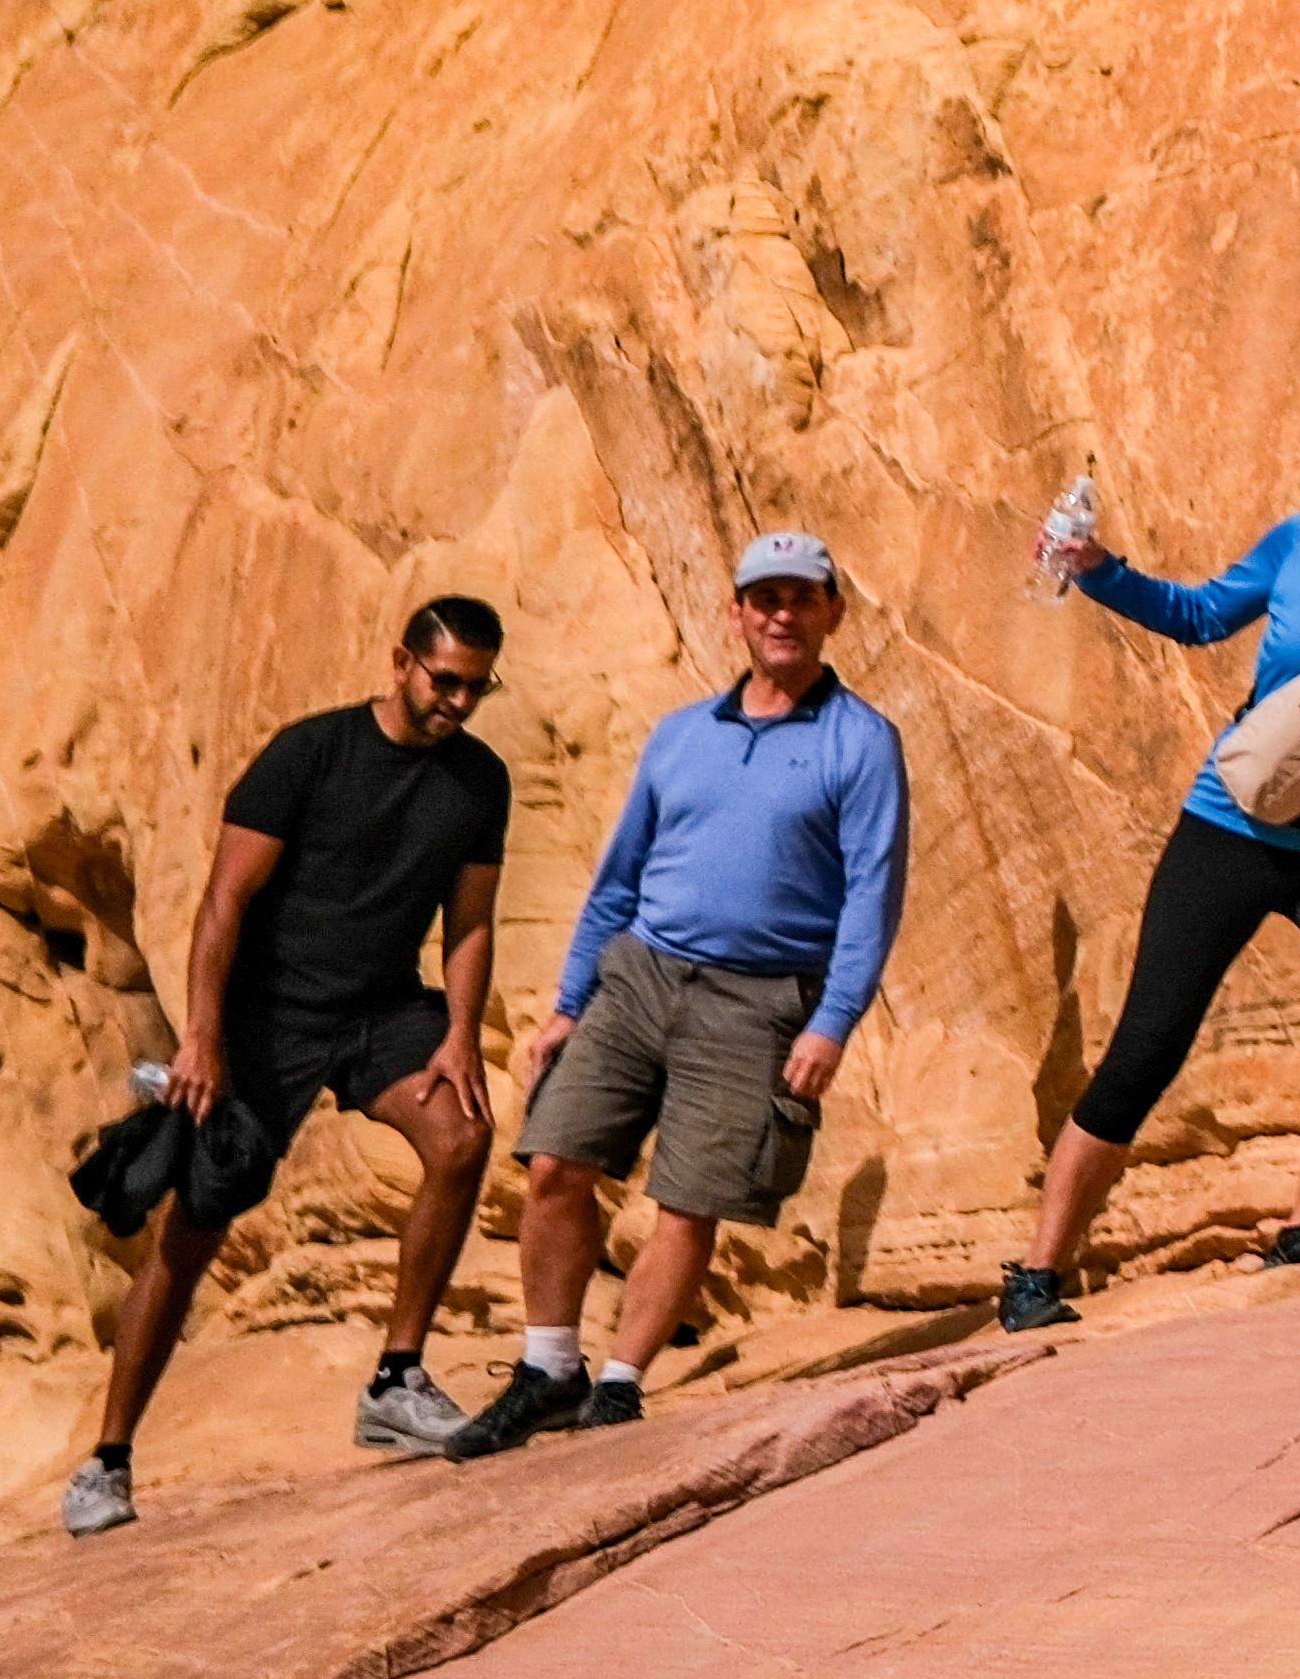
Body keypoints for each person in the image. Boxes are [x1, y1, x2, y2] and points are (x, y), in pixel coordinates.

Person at [994, 396, 1300, 1331]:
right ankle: (1036, 1271)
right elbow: (1199, 615)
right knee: (1147, 1048)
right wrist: (1095, 569)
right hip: (1233, 829)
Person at [440, 532, 909, 1453]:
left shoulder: (863, 743)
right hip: (640, 976)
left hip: (760, 999)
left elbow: (873, 897)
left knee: (688, 1200)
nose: (782, 614)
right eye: (763, 598)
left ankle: (618, 1384)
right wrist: (570, 1001)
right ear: (734, 614)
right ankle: (548, 1369)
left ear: (832, 613)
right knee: (553, 1164)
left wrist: (832, 1023)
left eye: (801, 598)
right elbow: (619, 878)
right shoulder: (682, 733)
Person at [68, 598, 513, 1532]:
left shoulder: (479, 782)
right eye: (446, 681)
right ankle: (107, 1462)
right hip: (266, 1024)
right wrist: (200, 1037)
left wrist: (460, 1033)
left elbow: (469, 922)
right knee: (194, 1228)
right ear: (401, 662)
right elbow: (224, 902)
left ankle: (397, 1382)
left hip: (382, 1013)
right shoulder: (308, 755)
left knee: (462, 1136)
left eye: (478, 686)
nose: (460, 702)